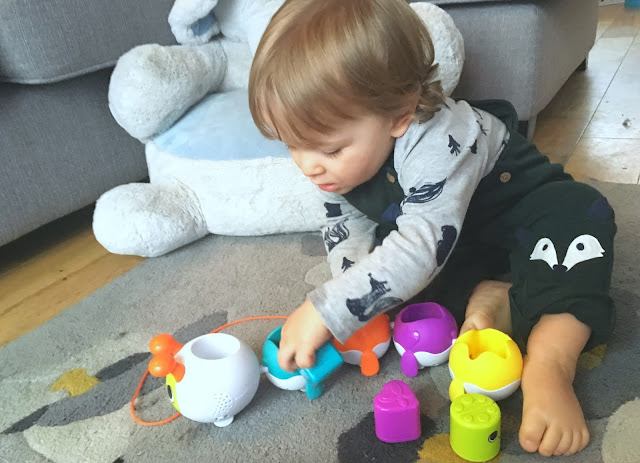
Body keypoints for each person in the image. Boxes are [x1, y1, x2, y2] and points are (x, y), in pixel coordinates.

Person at [248, 0, 616, 457]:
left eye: (330, 148)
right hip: (458, 241)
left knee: (581, 221)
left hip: (524, 214)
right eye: (292, 146)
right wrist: (351, 303)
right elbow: (349, 230)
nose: (307, 166)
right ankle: (492, 292)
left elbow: (422, 246)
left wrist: (325, 310)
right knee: (394, 281)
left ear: (400, 114)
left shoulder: (437, 137)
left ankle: (551, 359)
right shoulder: (330, 167)